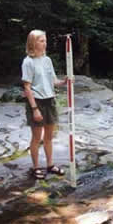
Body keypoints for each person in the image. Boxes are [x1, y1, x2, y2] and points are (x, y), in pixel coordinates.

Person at [22, 29, 67, 179]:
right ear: (33, 43)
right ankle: (35, 168)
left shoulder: (47, 60)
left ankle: (50, 164)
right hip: (37, 102)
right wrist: (34, 109)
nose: (45, 43)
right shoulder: (28, 62)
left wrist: (64, 82)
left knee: (49, 137)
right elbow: (27, 87)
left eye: (45, 40)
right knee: (36, 138)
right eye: (42, 40)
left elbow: (53, 80)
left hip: (50, 101)